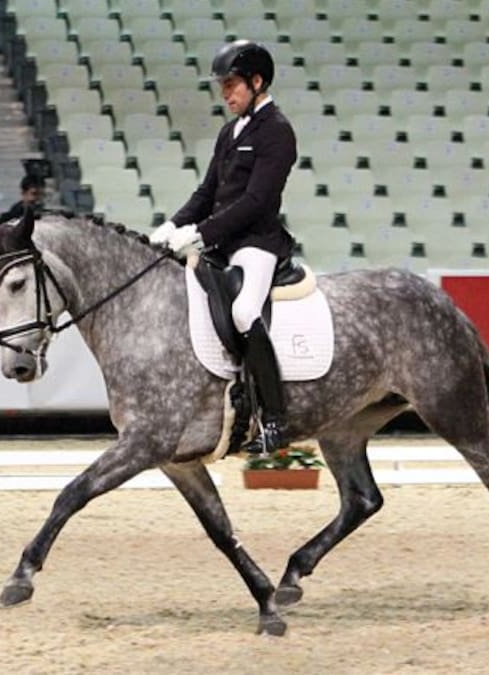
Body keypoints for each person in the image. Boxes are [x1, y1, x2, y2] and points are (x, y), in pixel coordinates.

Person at [149, 39, 298, 455]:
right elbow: (207, 191)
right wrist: (172, 224)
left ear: (256, 81)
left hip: (256, 243)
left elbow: (256, 202)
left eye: (231, 85)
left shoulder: (277, 132)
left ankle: (274, 420)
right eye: (222, 86)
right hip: (221, 244)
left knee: (244, 310)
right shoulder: (229, 131)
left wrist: (201, 234)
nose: (225, 94)